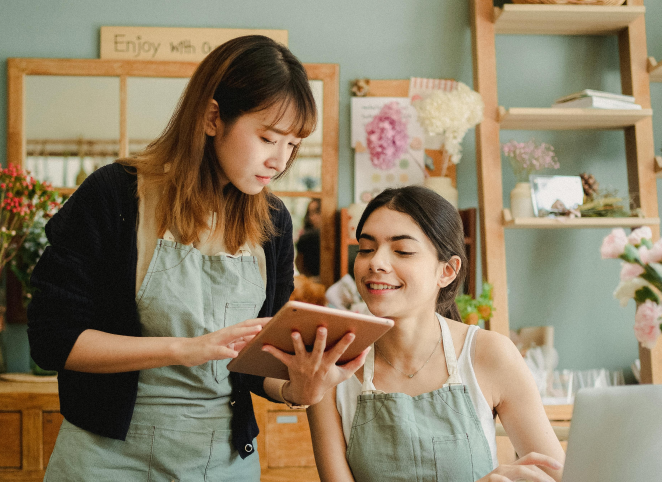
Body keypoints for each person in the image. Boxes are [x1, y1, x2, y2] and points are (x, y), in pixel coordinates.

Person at [27, 35, 368, 481]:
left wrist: (297, 386)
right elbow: (53, 339)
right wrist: (184, 349)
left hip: (223, 463)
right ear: (212, 117)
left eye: (292, 145)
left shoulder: (275, 223)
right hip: (105, 460)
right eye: (268, 138)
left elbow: (254, 367)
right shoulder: (114, 196)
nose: (279, 161)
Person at [307, 186, 566, 482]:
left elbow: (560, 476)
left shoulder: (489, 354)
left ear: (447, 271)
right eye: (366, 249)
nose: (375, 262)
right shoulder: (330, 367)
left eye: (402, 251)